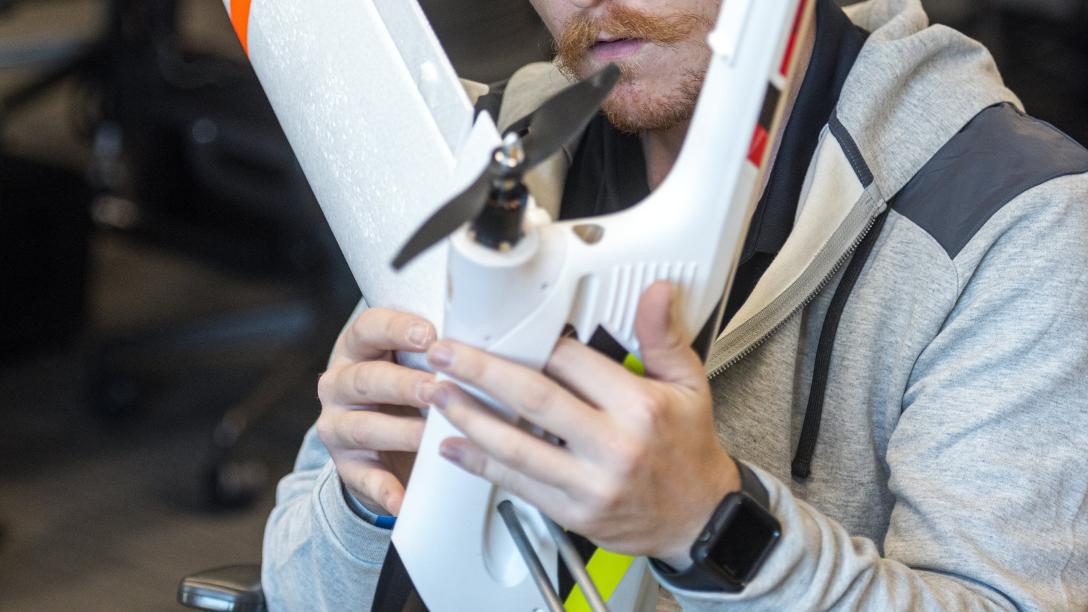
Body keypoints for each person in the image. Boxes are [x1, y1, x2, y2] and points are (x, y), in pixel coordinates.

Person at [262, 0, 1088, 609]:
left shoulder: (1011, 219)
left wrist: (716, 532)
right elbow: (295, 589)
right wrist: (367, 500)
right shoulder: (493, 158)